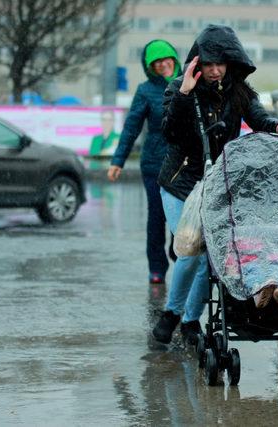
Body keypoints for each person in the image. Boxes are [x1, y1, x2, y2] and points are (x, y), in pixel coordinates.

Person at [152, 24, 278, 344]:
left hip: (216, 184)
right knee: (190, 250)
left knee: (212, 259)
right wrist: (185, 92)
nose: (215, 71)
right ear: (196, 64)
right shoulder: (179, 89)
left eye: (220, 64)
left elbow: (259, 117)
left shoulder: (238, 90)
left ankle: (191, 322)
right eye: (208, 64)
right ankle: (171, 315)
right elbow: (170, 133)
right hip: (180, 184)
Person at [108, 40, 182, 284]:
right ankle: (157, 267)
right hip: (153, 164)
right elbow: (131, 127)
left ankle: (177, 252)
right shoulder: (145, 90)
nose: (163, 65)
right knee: (157, 215)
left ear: (174, 58)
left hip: (183, 164)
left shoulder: (188, 84)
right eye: (157, 62)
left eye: (166, 58)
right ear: (150, 66)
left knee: (182, 216)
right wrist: (118, 160)